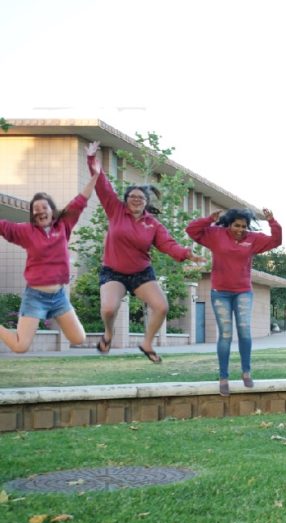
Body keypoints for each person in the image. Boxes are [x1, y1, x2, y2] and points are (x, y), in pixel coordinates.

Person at [87, 143, 204, 363]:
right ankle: (109, 334)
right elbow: (102, 184)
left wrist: (188, 254)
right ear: (126, 200)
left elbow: (169, 245)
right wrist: (92, 158)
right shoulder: (115, 210)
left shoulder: (153, 224)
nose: (137, 200)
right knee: (109, 309)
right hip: (114, 272)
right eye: (132, 197)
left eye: (141, 198)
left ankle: (147, 343)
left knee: (162, 307)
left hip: (141, 273)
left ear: (146, 202)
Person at [0, 153, 98, 353]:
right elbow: (3, 226)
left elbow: (81, 200)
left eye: (44, 207)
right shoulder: (26, 231)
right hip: (35, 296)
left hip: (59, 296)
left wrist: (95, 176)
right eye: (35, 209)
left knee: (79, 338)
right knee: (20, 346)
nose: (39, 211)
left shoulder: (63, 226)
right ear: (33, 214)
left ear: (52, 210)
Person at [187, 208, 281, 396]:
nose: (240, 229)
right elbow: (191, 230)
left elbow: (276, 240)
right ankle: (223, 377)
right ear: (229, 224)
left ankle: (246, 372)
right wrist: (209, 219)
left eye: (244, 226)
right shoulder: (215, 234)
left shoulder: (253, 239)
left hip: (243, 292)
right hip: (220, 292)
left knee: (245, 331)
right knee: (226, 334)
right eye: (236, 225)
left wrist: (272, 221)